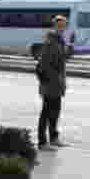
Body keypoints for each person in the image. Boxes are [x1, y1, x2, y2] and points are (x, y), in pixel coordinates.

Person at [36, 15, 71, 151]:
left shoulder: (60, 42)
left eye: (63, 26)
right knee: (46, 112)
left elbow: (61, 62)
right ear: (54, 26)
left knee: (55, 111)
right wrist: (50, 80)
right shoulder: (50, 42)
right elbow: (43, 64)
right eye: (59, 26)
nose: (61, 28)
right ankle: (42, 142)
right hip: (50, 83)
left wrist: (68, 52)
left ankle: (54, 138)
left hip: (57, 83)